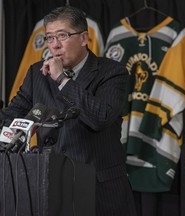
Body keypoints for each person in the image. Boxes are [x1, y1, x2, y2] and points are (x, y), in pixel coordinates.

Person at [0, 6, 136, 216]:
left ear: (83, 38)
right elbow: (13, 115)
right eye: (49, 38)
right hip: (50, 187)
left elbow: (100, 117)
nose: (55, 45)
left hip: (100, 191)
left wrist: (63, 80)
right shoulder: (37, 74)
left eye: (62, 36)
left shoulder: (112, 72)